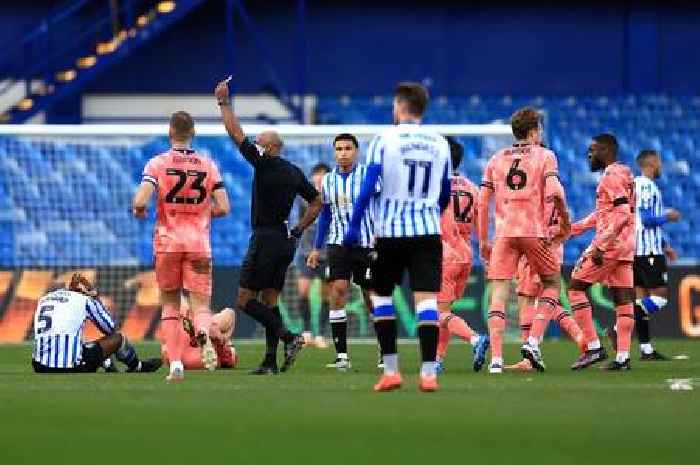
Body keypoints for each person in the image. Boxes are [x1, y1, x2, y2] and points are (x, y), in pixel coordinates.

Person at [344, 82, 451, 392]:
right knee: (427, 302)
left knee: (381, 296)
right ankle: (429, 374)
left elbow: (368, 186)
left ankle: (391, 370)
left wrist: (354, 225)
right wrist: (429, 210)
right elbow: (444, 192)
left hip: (391, 232)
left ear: (400, 106)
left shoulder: (384, 140)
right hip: (428, 232)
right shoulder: (440, 143)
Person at [215, 77, 322, 375]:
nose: (256, 146)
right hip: (286, 241)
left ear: (271, 148)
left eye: (260, 143)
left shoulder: (266, 163)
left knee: (244, 300)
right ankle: (269, 362)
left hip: (265, 238)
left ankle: (290, 337)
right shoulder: (294, 171)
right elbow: (317, 202)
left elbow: (235, 133)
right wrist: (299, 230)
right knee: (270, 301)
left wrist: (224, 102)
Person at [133, 110, 230, 382]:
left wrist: (139, 209)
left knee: (171, 307)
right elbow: (224, 206)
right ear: (193, 133)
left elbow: (141, 200)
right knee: (200, 307)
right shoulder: (208, 165)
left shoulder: (157, 164)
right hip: (199, 243)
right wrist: (200, 212)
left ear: (170, 132)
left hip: (168, 243)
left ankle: (176, 365)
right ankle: (202, 332)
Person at [477, 107, 569, 374]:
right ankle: (532, 341)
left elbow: (482, 203)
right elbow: (555, 192)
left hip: (504, 234)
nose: (540, 133)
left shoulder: (496, 159)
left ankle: (495, 360)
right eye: (538, 129)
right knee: (552, 283)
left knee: (499, 294)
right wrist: (564, 223)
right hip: (533, 231)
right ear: (532, 132)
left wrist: (484, 240)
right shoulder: (545, 155)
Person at [567, 134, 636, 371]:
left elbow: (622, 213)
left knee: (575, 289)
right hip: (626, 247)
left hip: (610, 245)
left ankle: (594, 347)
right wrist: (574, 230)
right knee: (623, 301)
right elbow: (604, 213)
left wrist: (600, 245)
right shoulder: (625, 174)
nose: (589, 155)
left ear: (606, 150)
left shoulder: (611, 176)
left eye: (592, 150)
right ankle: (623, 358)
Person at [307, 133, 376, 370]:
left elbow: (382, 205)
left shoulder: (369, 175)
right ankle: (342, 356)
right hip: (338, 244)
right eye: (339, 148)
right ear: (334, 152)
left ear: (356, 151)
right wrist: (317, 247)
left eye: (348, 148)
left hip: (367, 244)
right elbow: (325, 216)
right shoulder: (327, 180)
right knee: (338, 291)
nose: (343, 152)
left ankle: (384, 350)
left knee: (372, 297)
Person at [604, 150, 680, 360]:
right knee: (660, 298)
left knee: (642, 299)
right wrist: (668, 216)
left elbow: (637, 221)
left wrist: (665, 245)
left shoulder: (634, 185)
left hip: (637, 250)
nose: (661, 165)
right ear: (653, 163)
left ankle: (646, 349)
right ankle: (618, 327)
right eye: (660, 161)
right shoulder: (646, 186)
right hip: (648, 253)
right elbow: (646, 219)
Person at [32, 273, 161, 374]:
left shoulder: (44, 299)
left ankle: (106, 362)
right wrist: (95, 299)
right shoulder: (83, 299)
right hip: (70, 366)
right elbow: (110, 328)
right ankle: (137, 367)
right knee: (118, 339)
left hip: (39, 365)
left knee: (81, 343)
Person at [434, 136, 489, 373]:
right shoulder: (471, 187)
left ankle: (475, 339)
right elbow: (481, 226)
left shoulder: (435, 186)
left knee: (438, 312)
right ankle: (437, 360)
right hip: (465, 255)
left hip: (443, 253)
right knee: (445, 312)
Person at [296, 163, 331, 348]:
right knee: (302, 289)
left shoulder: (334, 197)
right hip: (306, 251)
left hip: (327, 252)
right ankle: (307, 331)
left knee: (326, 294)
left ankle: (322, 334)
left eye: (323, 175)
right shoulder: (304, 198)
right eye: (317, 174)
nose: (319, 178)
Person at [162, 303, 239, 370]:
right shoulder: (226, 355)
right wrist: (223, 338)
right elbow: (230, 313)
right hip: (203, 358)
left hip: (182, 357)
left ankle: (175, 364)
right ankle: (203, 333)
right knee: (228, 313)